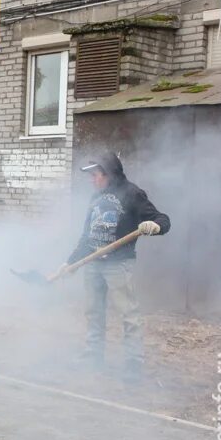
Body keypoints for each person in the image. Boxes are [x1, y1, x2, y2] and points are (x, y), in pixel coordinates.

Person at [64, 152, 170, 382]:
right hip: (93, 263)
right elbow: (86, 236)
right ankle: (94, 357)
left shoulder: (133, 194)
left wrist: (154, 226)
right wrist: (70, 262)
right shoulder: (95, 198)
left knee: (128, 314)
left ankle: (133, 364)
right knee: (94, 312)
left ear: (109, 174)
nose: (93, 180)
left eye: (96, 175)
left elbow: (164, 220)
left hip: (119, 265)